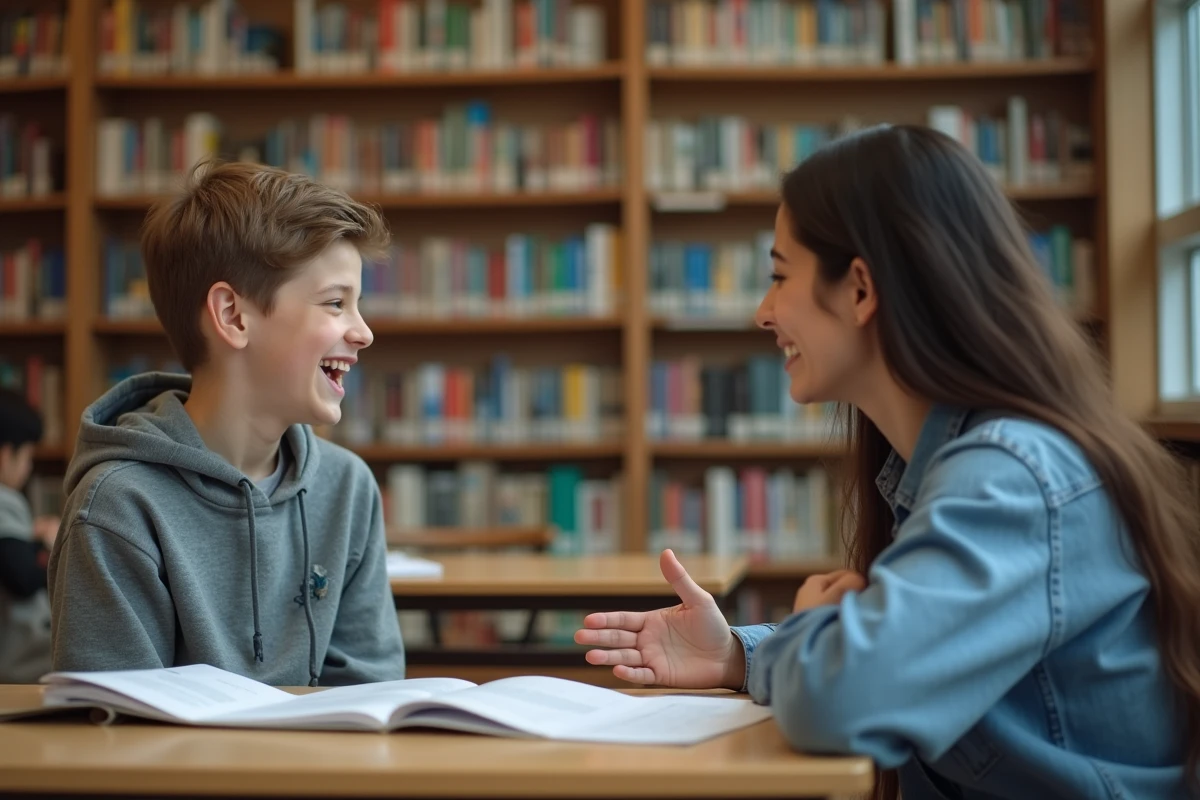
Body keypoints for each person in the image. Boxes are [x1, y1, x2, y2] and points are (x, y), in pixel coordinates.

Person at [575, 124, 1200, 799]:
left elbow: (839, 703)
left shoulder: (1011, 482)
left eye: (780, 276)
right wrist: (735, 653)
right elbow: (880, 668)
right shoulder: (956, 467)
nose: (763, 313)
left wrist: (814, 631)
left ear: (861, 290)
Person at [48, 160, 406, 686]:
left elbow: (368, 699)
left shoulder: (347, 487)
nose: (364, 333)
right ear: (233, 316)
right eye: (336, 303)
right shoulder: (117, 508)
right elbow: (111, 743)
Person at [0, 387, 58, 683]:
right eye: (26, 458)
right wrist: (50, 547)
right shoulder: (5, 500)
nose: (28, 467)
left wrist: (31, 541)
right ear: (5, 454)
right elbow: (22, 577)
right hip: (21, 660)